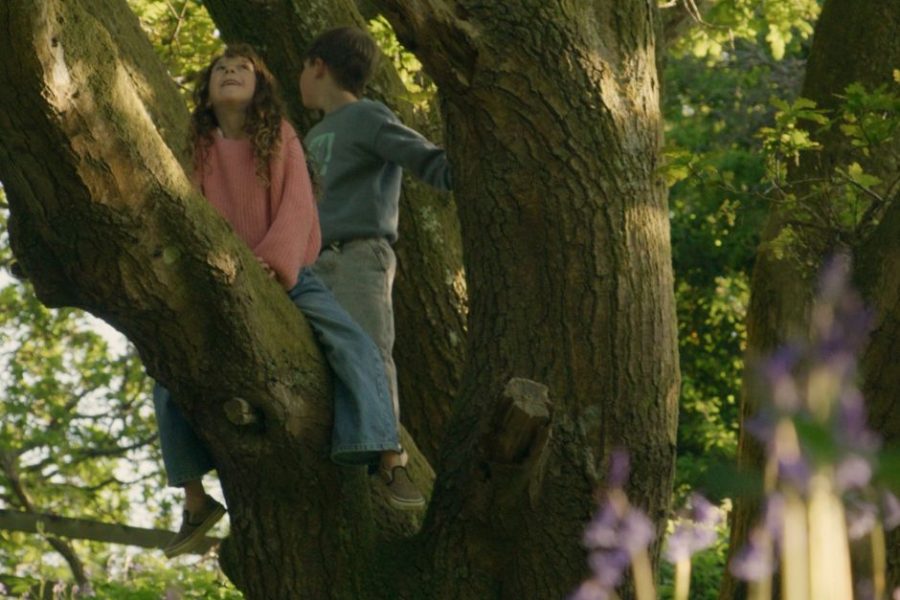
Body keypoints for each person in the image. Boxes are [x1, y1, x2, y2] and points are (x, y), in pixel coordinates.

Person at [154, 44, 417, 560]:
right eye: (220, 70)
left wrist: (270, 267)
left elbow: (297, 210)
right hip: (220, 278)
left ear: (260, 88)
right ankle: (193, 498)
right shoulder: (199, 150)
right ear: (207, 93)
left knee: (353, 344)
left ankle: (389, 456)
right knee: (166, 366)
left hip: (290, 273)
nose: (229, 73)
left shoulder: (280, 138)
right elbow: (188, 216)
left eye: (242, 69)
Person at [298, 27, 452, 505]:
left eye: (302, 69)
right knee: (327, 358)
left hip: (358, 254)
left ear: (318, 66)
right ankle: (344, 448)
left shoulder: (366, 117)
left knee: (368, 347)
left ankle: (391, 462)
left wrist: (464, 166)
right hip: (311, 263)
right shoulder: (313, 134)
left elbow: (426, 161)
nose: (299, 79)